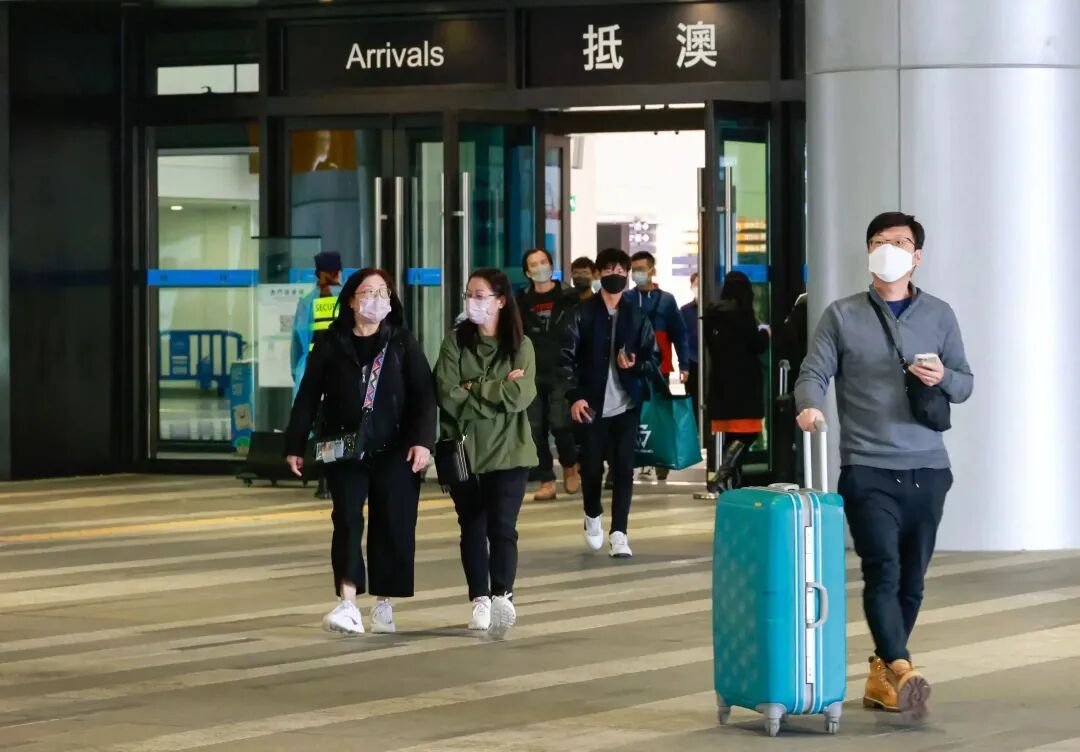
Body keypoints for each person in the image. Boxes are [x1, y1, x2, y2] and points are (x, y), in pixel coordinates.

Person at [795, 212, 973, 721]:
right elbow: (813, 373)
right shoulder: (842, 315)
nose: (888, 248)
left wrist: (941, 376)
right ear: (869, 251)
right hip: (868, 467)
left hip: (929, 469)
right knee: (883, 571)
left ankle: (881, 675)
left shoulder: (939, 314)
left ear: (917, 256)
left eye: (900, 241)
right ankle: (902, 667)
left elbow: (965, 383)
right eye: (879, 240)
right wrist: (810, 407)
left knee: (912, 580)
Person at [284, 269, 436, 636]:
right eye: (368, 292)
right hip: (345, 449)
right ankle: (348, 602)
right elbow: (307, 395)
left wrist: (423, 441)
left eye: (383, 292)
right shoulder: (331, 342)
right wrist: (294, 444)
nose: (376, 299)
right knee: (347, 520)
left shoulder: (402, 341)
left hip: (395, 449)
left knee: (393, 524)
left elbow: (424, 395)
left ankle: (384, 602)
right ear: (351, 299)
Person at [435, 268, 538, 640]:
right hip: (464, 451)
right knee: (472, 526)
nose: (472, 302)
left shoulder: (521, 345)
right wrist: (495, 390)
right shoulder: (454, 342)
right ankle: (479, 598)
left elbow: (521, 395)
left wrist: (473, 388)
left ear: (500, 301)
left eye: (480, 295)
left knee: (502, 526)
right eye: (469, 295)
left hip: (510, 450)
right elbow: (446, 393)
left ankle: (502, 595)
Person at [560, 247, 658, 558]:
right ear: (599, 274)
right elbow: (565, 358)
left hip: (626, 404)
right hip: (591, 404)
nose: (615, 275)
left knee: (624, 468)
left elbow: (653, 356)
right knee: (591, 468)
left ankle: (619, 533)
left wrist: (636, 363)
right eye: (609, 270)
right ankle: (592, 514)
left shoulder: (637, 314)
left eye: (620, 270)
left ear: (627, 274)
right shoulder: (582, 313)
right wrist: (575, 396)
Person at [517, 249, 580, 501]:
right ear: (527, 272)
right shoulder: (521, 300)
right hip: (532, 371)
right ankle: (546, 479)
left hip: (562, 370)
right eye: (534, 264)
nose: (540, 267)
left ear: (551, 266)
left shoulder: (569, 297)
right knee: (535, 428)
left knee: (560, 423)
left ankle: (569, 465)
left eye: (543, 262)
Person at [702, 270, 771, 493]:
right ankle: (723, 474)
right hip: (744, 386)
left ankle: (732, 483)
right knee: (748, 433)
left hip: (720, 384)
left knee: (732, 435)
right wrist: (765, 334)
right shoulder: (742, 315)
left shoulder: (713, 315)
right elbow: (756, 345)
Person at [629, 251, 690, 481]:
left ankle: (661, 457)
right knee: (631, 412)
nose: (637, 273)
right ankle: (636, 458)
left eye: (641, 269)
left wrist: (684, 364)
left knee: (661, 412)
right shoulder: (627, 298)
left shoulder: (666, 300)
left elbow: (680, 334)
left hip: (660, 367)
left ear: (652, 271)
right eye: (634, 269)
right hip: (632, 366)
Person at [290, 251, 343, 500]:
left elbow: (296, 342)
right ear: (338, 273)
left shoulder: (306, 302)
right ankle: (336, 477)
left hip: (311, 370)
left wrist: (296, 372)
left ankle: (324, 482)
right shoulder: (347, 299)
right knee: (339, 425)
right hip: (340, 372)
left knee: (320, 426)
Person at [680, 272, 701, 418]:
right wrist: (683, 366)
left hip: (712, 362)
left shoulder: (715, 310)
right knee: (692, 402)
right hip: (692, 363)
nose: (698, 287)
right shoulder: (685, 310)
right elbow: (681, 339)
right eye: (696, 284)